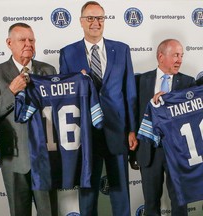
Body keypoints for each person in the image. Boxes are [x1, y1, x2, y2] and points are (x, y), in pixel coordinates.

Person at [59, 1, 138, 216]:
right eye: (91, 18)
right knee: (88, 191)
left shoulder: (121, 49)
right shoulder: (67, 53)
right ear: (81, 22)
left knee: (121, 190)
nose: (96, 23)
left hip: (117, 129)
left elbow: (129, 92)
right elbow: (66, 98)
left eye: (100, 18)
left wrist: (131, 129)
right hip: (85, 133)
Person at [0, 22, 58, 216]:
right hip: (14, 159)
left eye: (31, 40)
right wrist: (11, 91)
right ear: (9, 43)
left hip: (46, 158)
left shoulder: (49, 71)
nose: (28, 44)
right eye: (22, 40)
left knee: (49, 211)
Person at [136, 39, 195, 216]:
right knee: (151, 202)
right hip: (149, 150)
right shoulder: (140, 80)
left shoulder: (188, 82)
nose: (180, 60)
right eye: (176, 55)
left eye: (182, 55)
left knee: (180, 201)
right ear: (161, 56)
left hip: (178, 152)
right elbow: (133, 111)